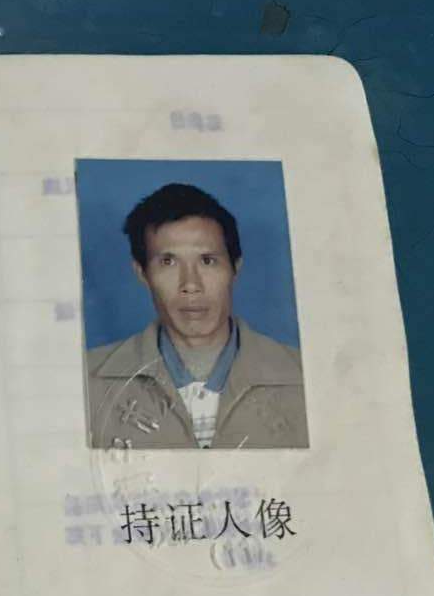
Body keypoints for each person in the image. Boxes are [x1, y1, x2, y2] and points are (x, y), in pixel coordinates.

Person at [85, 182, 308, 449]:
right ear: (142, 273)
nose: (191, 284)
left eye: (207, 261)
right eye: (168, 262)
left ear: (235, 268)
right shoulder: (86, 381)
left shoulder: (305, 375)